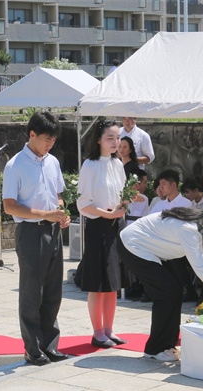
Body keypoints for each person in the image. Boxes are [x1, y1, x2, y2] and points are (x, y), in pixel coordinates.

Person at [118, 200, 203, 362]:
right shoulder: (191, 229)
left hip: (154, 247)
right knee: (167, 293)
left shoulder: (202, 226)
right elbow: (201, 268)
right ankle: (155, 349)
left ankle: (167, 346)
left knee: (175, 291)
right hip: (133, 244)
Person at [2, 112, 71, 366]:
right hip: (30, 232)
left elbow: (59, 195)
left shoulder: (52, 162)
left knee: (54, 290)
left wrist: (62, 213)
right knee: (32, 292)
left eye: (53, 139)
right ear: (32, 134)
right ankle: (32, 348)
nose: (50, 144)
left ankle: (50, 344)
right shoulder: (16, 165)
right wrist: (47, 214)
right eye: (46, 139)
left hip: (52, 231)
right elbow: (10, 206)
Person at [76, 119, 127, 348]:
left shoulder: (117, 164)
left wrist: (124, 205)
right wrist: (107, 214)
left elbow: (123, 192)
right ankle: (97, 332)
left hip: (116, 225)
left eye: (117, 138)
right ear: (98, 139)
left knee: (113, 283)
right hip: (98, 227)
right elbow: (82, 204)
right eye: (110, 138)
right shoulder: (90, 165)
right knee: (98, 283)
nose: (115, 142)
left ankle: (109, 329)